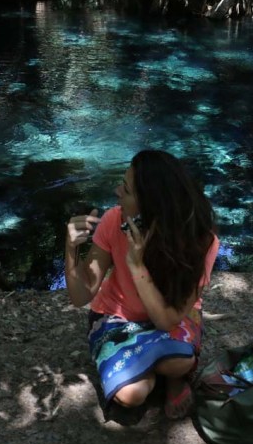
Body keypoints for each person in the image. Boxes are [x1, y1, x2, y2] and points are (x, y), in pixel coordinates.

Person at [65, 150, 219, 421]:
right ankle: (151, 372)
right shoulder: (114, 221)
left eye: (126, 190)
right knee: (131, 395)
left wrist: (137, 267)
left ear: (151, 205)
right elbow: (81, 296)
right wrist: (70, 249)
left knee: (179, 363)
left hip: (168, 319)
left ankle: (165, 374)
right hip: (116, 317)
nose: (117, 192)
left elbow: (167, 321)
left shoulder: (201, 241)